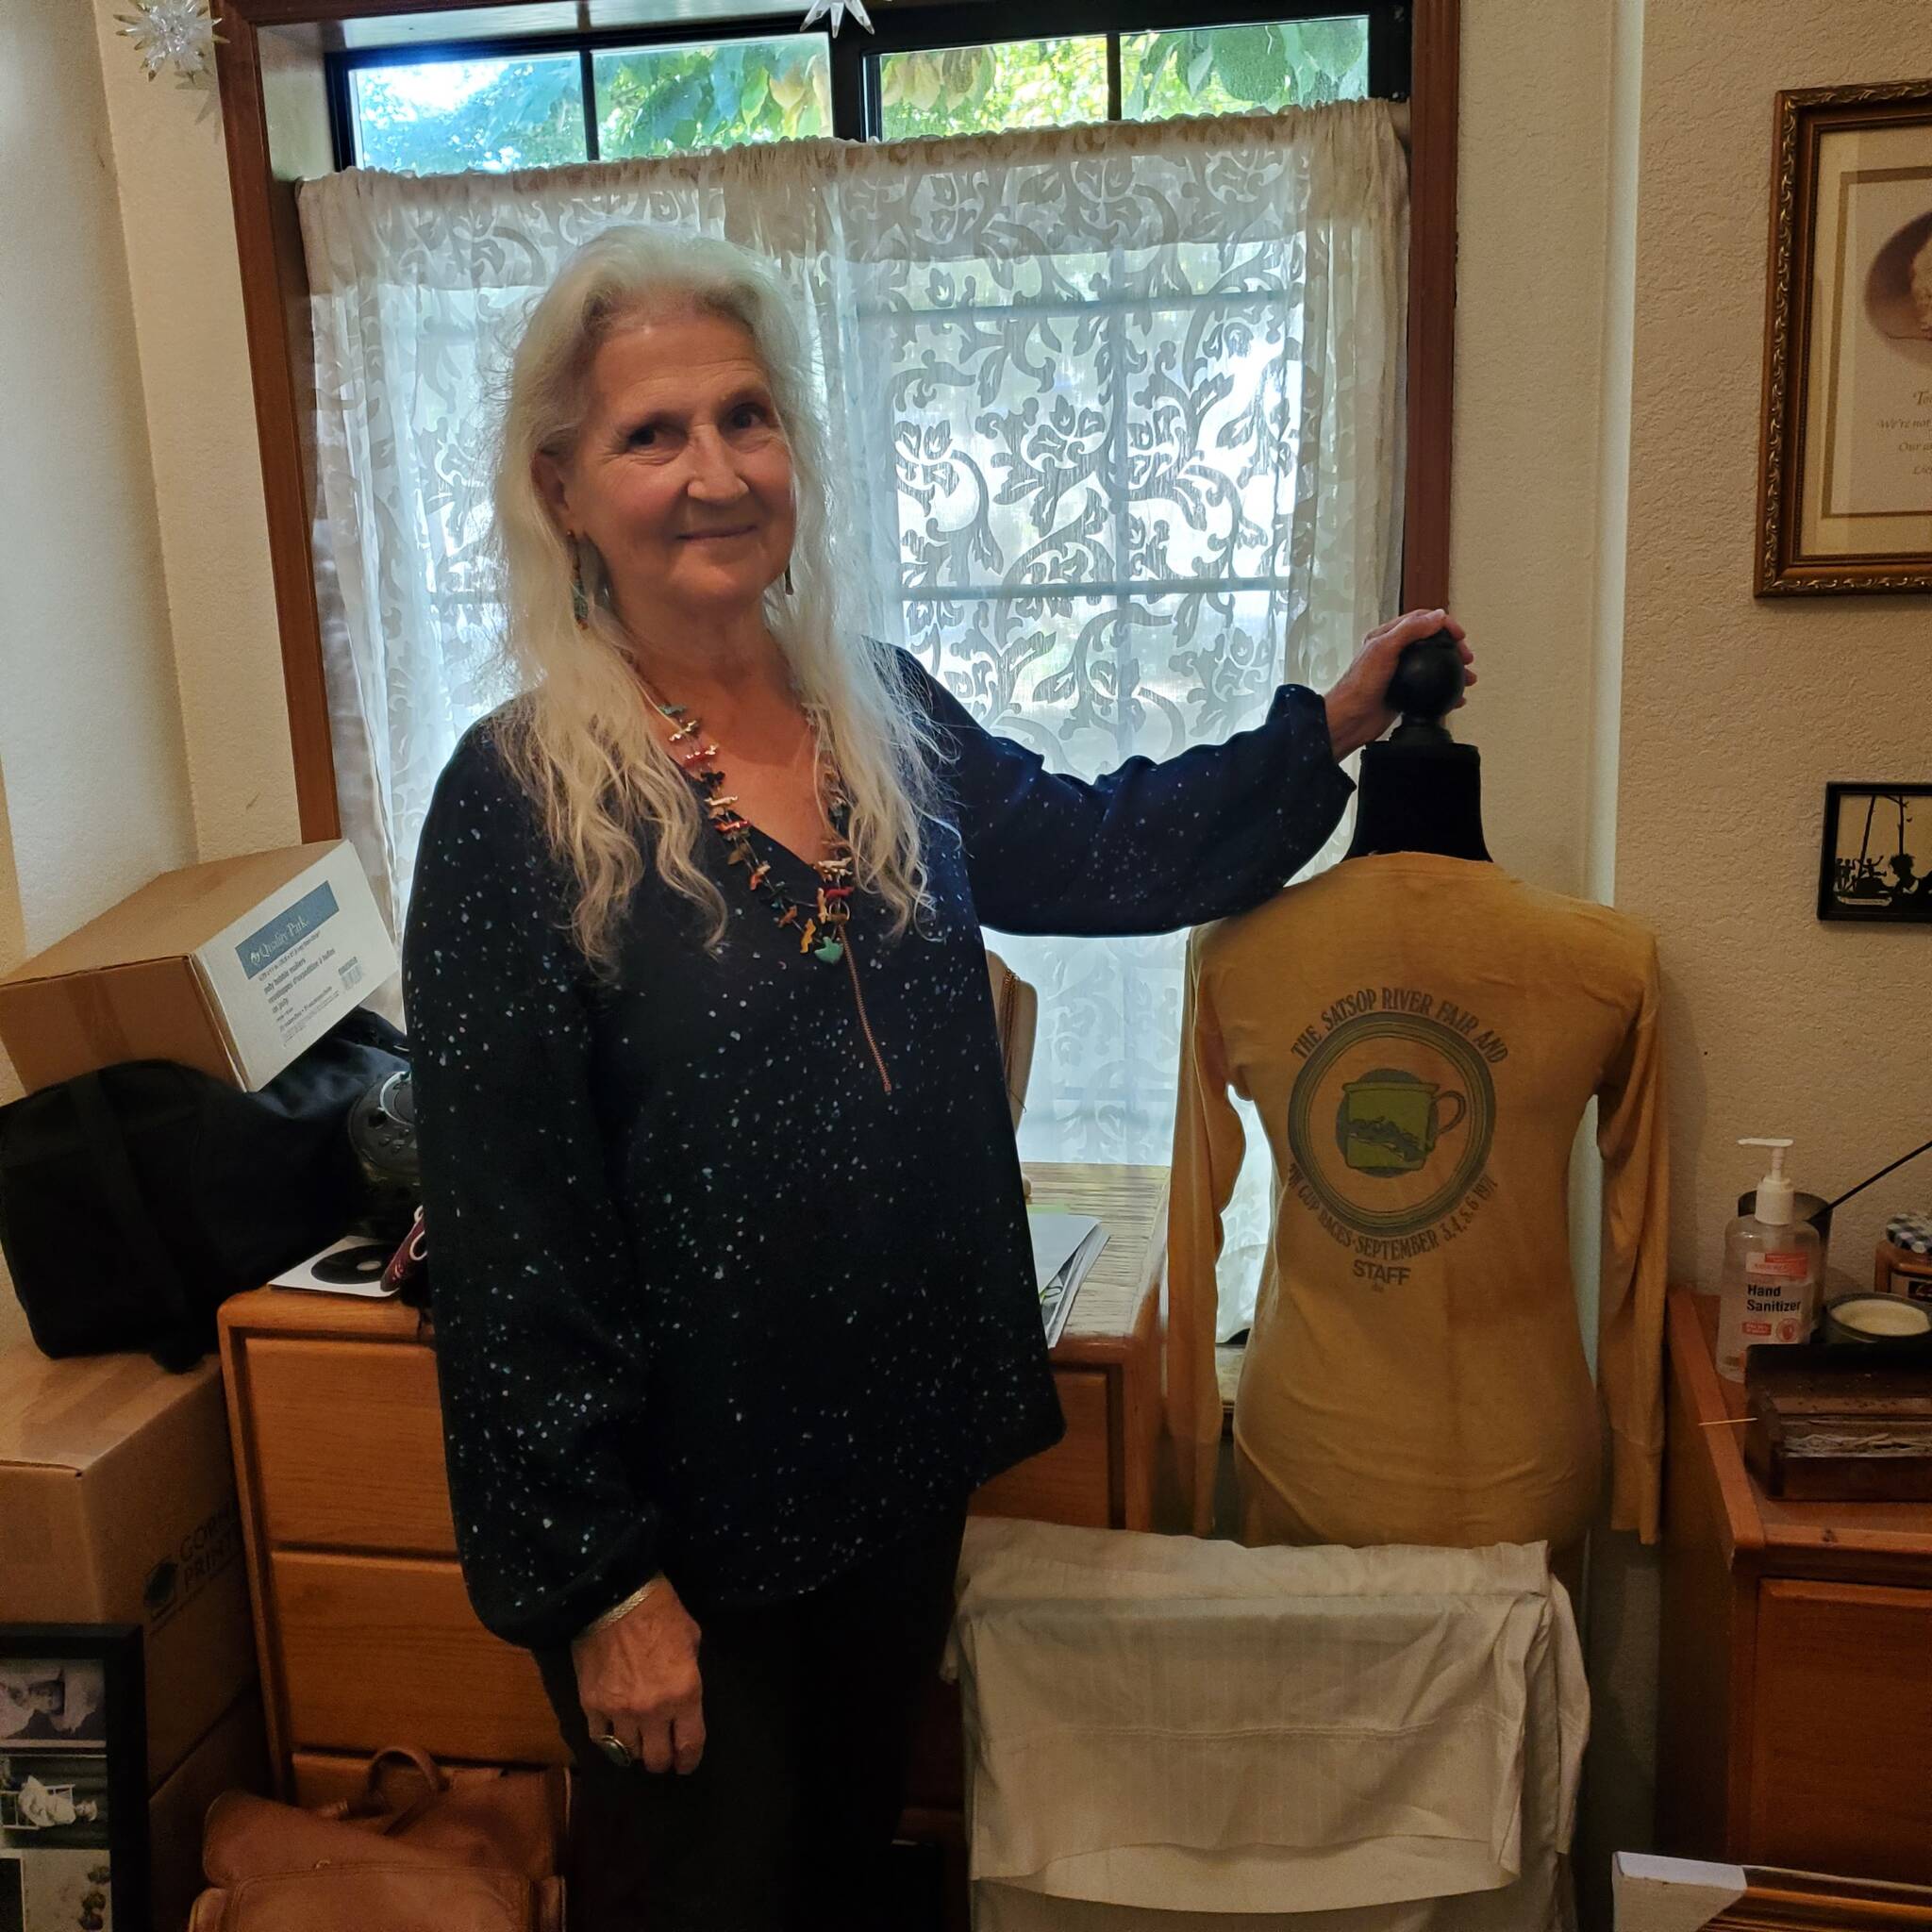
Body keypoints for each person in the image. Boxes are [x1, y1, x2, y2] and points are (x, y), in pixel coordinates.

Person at [402, 224, 1474, 1931]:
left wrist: (1318, 736)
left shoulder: (877, 713)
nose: (714, 473)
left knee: (839, 1880)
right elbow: (512, 1228)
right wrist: (604, 1587)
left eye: (747, 419)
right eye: (652, 434)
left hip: (890, 1473)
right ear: (563, 486)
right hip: (690, 1534)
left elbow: (1100, 848)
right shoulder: (519, 800)